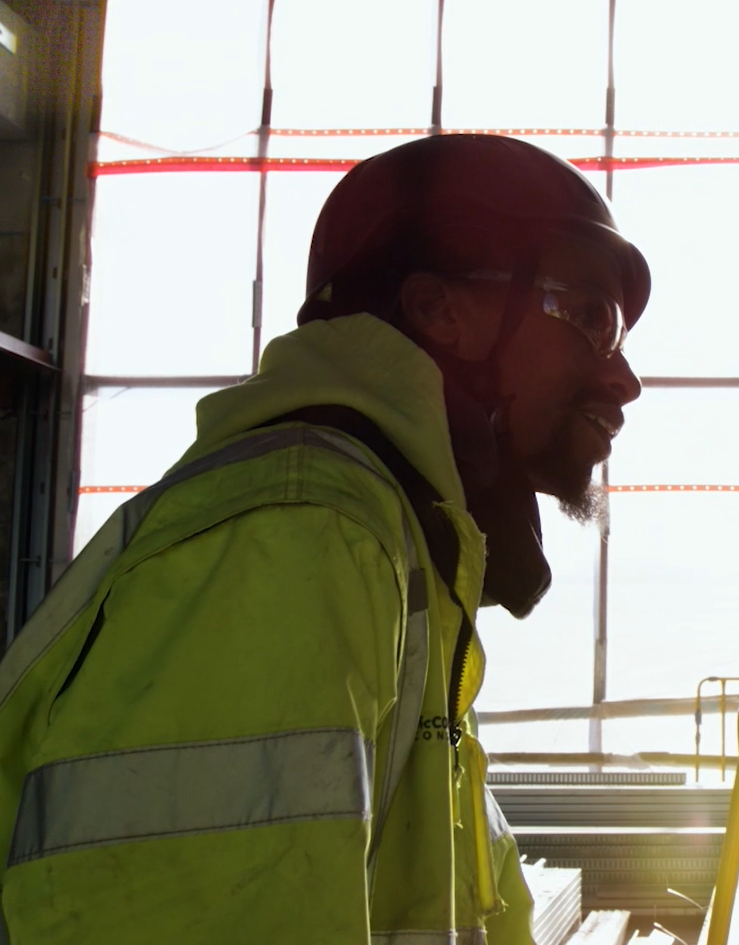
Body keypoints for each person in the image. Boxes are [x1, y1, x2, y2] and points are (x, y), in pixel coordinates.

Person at [0, 134, 649, 943]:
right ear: (437, 309)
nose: (625, 377)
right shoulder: (297, 532)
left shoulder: (399, 543)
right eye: (590, 317)